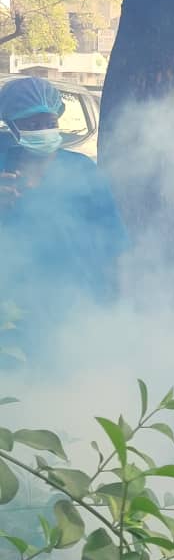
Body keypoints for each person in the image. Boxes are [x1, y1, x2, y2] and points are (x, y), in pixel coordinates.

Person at [0, 76, 124, 359]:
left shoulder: (82, 171)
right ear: (11, 125)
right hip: (11, 311)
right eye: (31, 124)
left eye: (49, 121)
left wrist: (117, 309)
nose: (43, 130)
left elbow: (114, 244)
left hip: (77, 306)